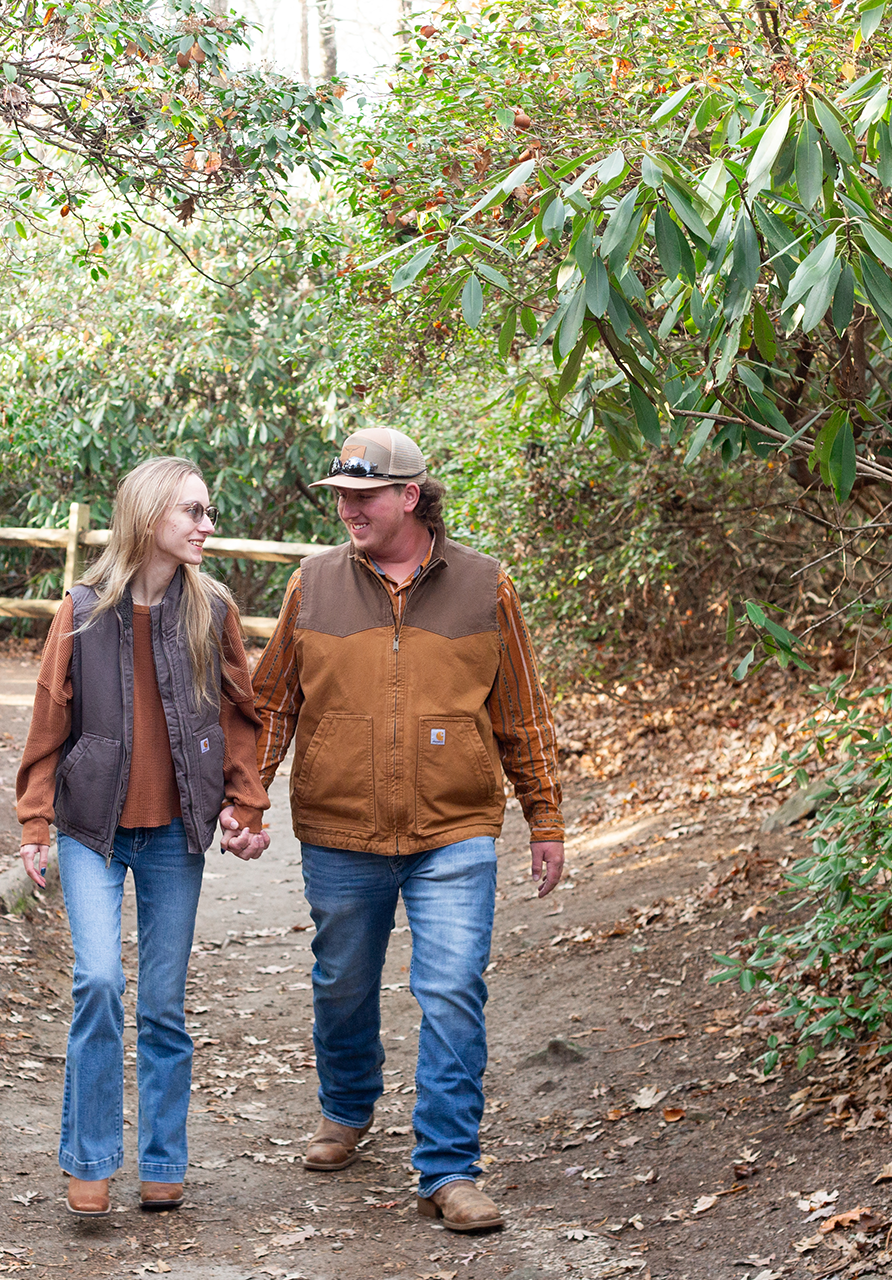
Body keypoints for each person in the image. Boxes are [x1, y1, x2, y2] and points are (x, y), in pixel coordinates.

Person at [249, 426, 564, 1232]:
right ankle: (348, 1107)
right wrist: (245, 797)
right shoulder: (313, 585)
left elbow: (519, 713)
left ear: (411, 496)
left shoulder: (486, 586)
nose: (349, 509)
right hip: (339, 827)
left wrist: (545, 818)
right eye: (341, 497)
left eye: (364, 496)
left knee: (453, 988)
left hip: (454, 827)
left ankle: (449, 1167)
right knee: (342, 982)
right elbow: (274, 701)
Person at [14, 456, 271, 1218]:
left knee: (163, 1002)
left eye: (207, 511)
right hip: (90, 830)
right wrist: (34, 819)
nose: (206, 524)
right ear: (150, 516)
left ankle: (163, 1158)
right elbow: (48, 720)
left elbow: (240, 715)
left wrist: (244, 803)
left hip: (175, 836)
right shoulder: (84, 610)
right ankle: (89, 1157)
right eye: (193, 511)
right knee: (98, 981)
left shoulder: (212, 609)